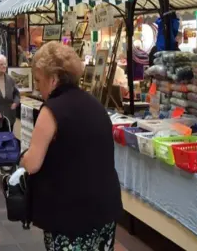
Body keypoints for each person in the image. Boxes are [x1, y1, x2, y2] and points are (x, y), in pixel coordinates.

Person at [20, 41, 122, 250]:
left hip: (70, 213)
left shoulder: (52, 110)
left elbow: (32, 164)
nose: (38, 87)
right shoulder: (95, 104)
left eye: (39, 80)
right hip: (105, 205)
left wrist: (21, 157)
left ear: (53, 79)